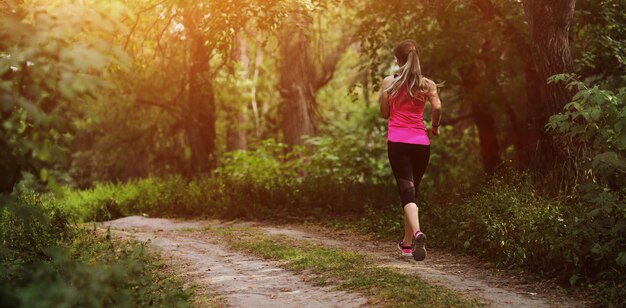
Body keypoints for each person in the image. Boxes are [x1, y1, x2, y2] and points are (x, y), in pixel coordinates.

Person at [379, 40, 442, 261]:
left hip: (398, 142)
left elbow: (384, 113)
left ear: (397, 59)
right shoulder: (427, 84)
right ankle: (407, 245)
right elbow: (437, 107)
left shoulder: (390, 82)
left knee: (407, 192)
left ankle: (416, 234)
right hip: (421, 143)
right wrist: (434, 126)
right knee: (412, 194)